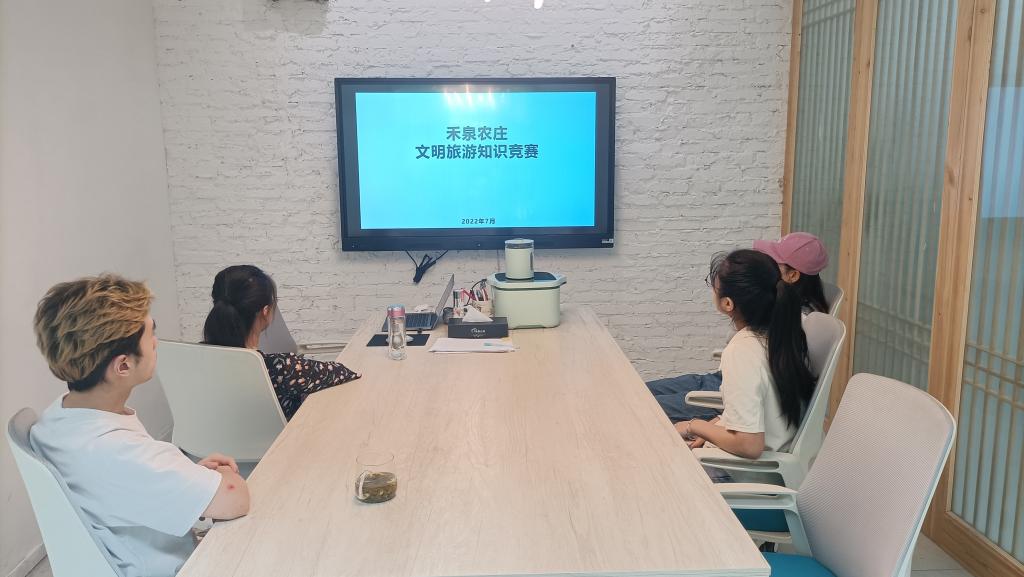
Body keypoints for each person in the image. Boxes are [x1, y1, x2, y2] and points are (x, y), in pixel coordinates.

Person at [30, 275, 250, 577]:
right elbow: (235, 498)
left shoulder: (57, 418)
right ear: (123, 365)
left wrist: (185, 477)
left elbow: (123, 484)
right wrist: (219, 477)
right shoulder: (118, 452)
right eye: (151, 334)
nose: (156, 342)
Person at [647, 232, 829, 423]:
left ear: (792, 275)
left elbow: (757, 400)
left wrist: (699, 426)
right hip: (726, 381)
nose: (765, 266)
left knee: (639, 404)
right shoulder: (785, 312)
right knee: (640, 391)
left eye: (773, 262)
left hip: (738, 390)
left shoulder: (789, 321)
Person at [677, 249, 817, 459]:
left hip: (743, 470)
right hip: (780, 454)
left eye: (713, 286)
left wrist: (693, 425)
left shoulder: (741, 352)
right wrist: (713, 427)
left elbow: (749, 445)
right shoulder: (785, 333)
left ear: (727, 303)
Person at [202, 265, 360, 420]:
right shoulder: (280, 368)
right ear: (265, 311)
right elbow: (341, 372)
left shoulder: (199, 360)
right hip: (286, 437)